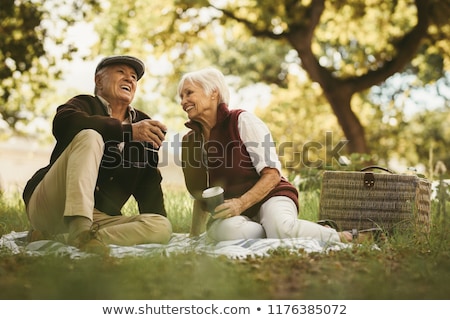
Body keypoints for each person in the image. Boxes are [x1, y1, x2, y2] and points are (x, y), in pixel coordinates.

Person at [177, 67, 369, 244]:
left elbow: (272, 174)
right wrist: (194, 239)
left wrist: (241, 203)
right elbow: (201, 197)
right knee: (222, 233)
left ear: (213, 93)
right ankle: (282, 232)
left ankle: (342, 236)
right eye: (181, 96)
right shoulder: (190, 142)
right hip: (238, 215)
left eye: (189, 93)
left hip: (272, 196)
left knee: (280, 226)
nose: (183, 101)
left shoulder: (241, 121)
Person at [23, 55, 172, 255]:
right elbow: (63, 123)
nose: (129, 79)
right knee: (90, 136)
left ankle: (83, 240)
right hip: (52, 204)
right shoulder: (83, 104)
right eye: (121, 72)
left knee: (161, 226)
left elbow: (148, 183)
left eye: (134, 77)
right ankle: (79, 230)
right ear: (98, 81)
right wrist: (128, 132)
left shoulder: (144, 123)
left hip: (99, 218)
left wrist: (160, 226)